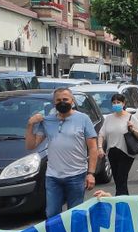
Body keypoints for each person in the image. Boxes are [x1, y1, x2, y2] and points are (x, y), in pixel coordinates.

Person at [26, 87, 98, 218]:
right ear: (54, 102)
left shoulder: (83, 119)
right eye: (58, 100)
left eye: (65, 99)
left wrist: (91, 174)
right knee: (52, 214)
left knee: (75, 214)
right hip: (53, 177)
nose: (62, 102)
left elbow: (93, 148)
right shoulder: (47, 121)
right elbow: (31, 145)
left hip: (76, 175)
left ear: (72, 101)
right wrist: (30, 125)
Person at [97, 93, 138, 195]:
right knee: (118, 179)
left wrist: (132, 128)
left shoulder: (130, 118)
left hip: (126, 152)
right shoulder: (108, 118)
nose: (116, 104)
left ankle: (120, 201)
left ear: (123, 103)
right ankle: (124, 200)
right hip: (112, 152)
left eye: (118, 102)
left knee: (122, 177)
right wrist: (100, 148)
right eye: (114, 103)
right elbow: (101, 134)